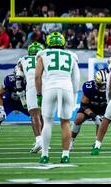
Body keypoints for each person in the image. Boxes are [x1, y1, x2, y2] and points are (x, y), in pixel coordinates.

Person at [35, 32, 80, 164]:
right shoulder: (72, 56)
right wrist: (74, 95)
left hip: (50, 88)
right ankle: (65, 155)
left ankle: (44, 155)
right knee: (65, 122)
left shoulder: (43, 55)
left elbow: (37, 76)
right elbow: (76, 80)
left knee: (47, 122)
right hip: (66, 87)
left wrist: (38, 94)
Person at [70, 69, 111, 151]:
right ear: (95, 82)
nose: (103, 87)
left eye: (105, 85)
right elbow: (84, 106)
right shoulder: (88, 87)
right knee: (78, 118)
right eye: (101, 85)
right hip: (91, 108)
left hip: (106, 107)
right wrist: (93, 116)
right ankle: (71, 140)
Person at [0, 68, 31, 150]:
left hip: (23, 101)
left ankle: (39, 141)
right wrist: (1, 109)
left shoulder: (29, 80)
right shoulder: (9, 80)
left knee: (37, 118)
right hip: (9, 101)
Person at [16, 42, 45, 153]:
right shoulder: (45, 57)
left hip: (32, 87)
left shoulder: (23, 60)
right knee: (43, 115)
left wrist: (22, 98)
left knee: (35, 115)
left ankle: (39, 141)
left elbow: (19, 80)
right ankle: (43, 141)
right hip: (46, 86)